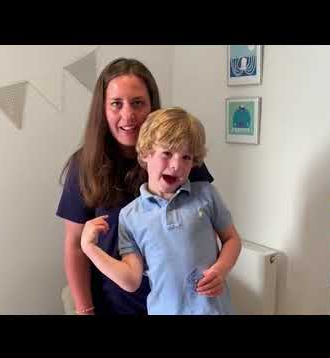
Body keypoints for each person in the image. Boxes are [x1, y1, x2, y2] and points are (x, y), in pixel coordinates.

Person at [56, 58, 215, 315]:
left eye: (138, 103)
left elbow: (209, 224)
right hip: (115, 304)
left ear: (152, 106)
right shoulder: (84, 165)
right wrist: (84, 309)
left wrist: (217, 272)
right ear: (103, 109)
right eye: (116, 104)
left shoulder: (182, 158)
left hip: (183, 303)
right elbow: (75, 245)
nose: (128, 115)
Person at [80, 107, 242, 315]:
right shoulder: (130, 216)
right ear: (147, 153)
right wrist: (90, 248)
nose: (177, 165)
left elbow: (232, 239)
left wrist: (221, 270)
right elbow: (131, 280)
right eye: (167, 153)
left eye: (186, 157)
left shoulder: (206, 194)